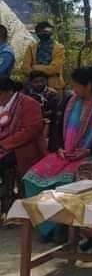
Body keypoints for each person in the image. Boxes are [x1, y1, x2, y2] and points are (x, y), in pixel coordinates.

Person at [22, 65, 92, 242]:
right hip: (65, 152)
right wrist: (59, 148)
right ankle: (47, 227)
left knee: (65, 182)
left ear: (88, 85)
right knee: (31, 178)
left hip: (90, 153)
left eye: (77, 85)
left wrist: (88, 150)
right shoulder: (69, 100)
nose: (74, 89)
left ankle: (63, 227)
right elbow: (56, 128)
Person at [0, 77, 44, 213]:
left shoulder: (29, 103)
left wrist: (5, 143)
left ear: (9, 91)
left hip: (22, 151)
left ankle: (16, 211)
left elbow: (31, 129)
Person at [24, 70, 61, 152]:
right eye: (36, 82)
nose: (40, 84)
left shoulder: (53, 94)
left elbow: (56, 111)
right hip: (32, 126)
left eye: (42, 81)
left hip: (51, 126)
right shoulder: (26, 95)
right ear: (31, 83)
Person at [22, 21, 65, 91]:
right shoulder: (31, 47)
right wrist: (35, 76)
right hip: (33, 86)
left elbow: (54, 68)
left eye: (45, 31)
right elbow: (25, 67)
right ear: (37, 33)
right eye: (40, 31)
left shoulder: (59, 48)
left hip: (53, 86)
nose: (43, 33)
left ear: (51, 32)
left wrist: (35, 68)